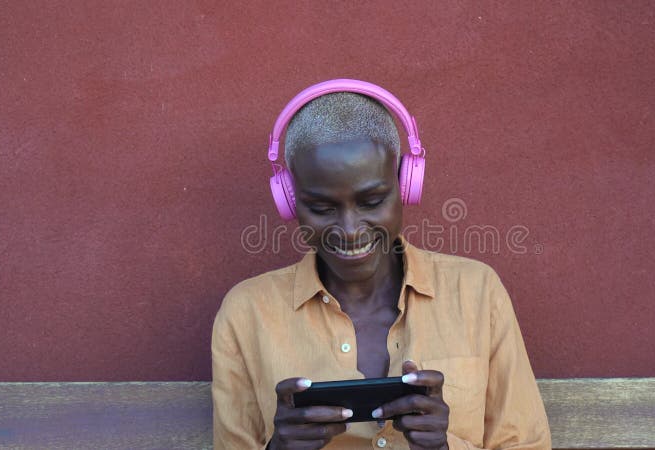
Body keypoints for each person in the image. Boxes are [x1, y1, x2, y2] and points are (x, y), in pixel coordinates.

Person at [212, 80, 551, 449]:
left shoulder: (477, 293)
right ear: (291, 202)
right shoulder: (246, 313)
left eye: (372, 201)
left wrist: (444, 447)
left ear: (406, 185)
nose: (350, 230)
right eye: (322, 208)